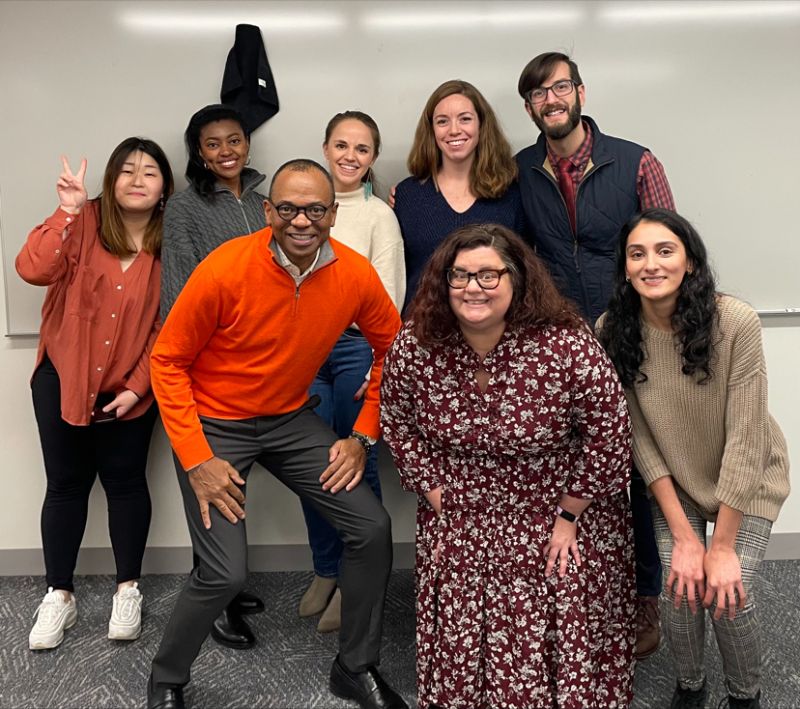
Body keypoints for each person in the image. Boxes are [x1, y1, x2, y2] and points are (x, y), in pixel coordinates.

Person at [146, 159, 407, 709]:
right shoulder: (225, 268)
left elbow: (396, 351)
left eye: (315, 208)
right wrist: (196, 460)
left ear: (334, 213)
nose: (301, 221)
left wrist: (362, 435)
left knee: (371, 527)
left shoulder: (354, 274)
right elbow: (166, 362)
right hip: (215, 424)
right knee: (224, 573)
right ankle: (166, 677)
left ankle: (354, 667)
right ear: (268, 211)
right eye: (287, 208)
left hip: (288, 419)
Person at [381, 223, 635, 709]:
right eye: (460, 276)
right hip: (458, 505)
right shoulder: (417, 343)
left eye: (488, 276)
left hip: (559, 507)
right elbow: (396, 420)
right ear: (443, 282)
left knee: (556, 575)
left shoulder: (564, 343)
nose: (473, 288)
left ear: (517, 279)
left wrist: (567, 517)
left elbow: (609, 433)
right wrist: (436, 493)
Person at [515, 51, 675, 657]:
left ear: (580, 92)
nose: (551, 100)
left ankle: (642, 600)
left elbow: (667, 248)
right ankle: (580, 596)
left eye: (559, 88)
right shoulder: (521, 170)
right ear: (529, 107)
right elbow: (514, 255)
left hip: (633, 339)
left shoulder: (636, 162)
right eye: (537, 94)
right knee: (566, 473)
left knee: (635, 470)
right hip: (556, 344)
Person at [597, 209, 790, 709]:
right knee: (680, 592)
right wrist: (685, 537)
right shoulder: (612, 327)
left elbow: (747, 436)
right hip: (674, 483)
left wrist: (720, 546)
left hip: (748, 480)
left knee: (729, 595)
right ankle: (690, 684)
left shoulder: (735, 322)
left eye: (665, 251)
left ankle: (745, 694)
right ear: (623, 268)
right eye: (636, 254)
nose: (650, 264)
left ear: (690, 262)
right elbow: (637, 434)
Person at [17, 138, 173, 650]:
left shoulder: (172, 241)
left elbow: (168, 326)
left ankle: (128, 586)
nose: (136, 179)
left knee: (127, 484)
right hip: (62, 380)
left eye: (149, 172)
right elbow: (32, 269)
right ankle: (58, 594)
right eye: (126, 170)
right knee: (65, 485)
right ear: (110, 180)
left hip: (131, 389)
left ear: (164, 188)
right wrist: (64, 211)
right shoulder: (82, 221)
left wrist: (138, 387)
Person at [161, 103, 267, 649]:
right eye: (213, 144)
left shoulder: (265, 199)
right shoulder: (183, 207)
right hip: (210, 364)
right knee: (211, 483)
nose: (226, 152)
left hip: (262, 364)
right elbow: (178, 288)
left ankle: (229, 585)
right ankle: (219, 596)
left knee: (238, 483)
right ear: (198, 151)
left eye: (234, 140)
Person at [297, 111, 406, 633]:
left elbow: (386, 295)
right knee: (311, 463)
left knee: (354, 460)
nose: (350, 156)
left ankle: (358, 583)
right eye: (341, 144)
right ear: (325, 147)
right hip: (304, 352)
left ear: (373, 158)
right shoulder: (303, 206)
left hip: (356, 348)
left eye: (362, 149)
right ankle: (326, 569)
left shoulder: (380, 217)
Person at [394, 79, 522, 312]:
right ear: (431, 130)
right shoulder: (407, 195)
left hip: (495, 333)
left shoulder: (512, 194)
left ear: (482, 125)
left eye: (465, 119)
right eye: (443, 121)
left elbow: (524, 272)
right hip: (423, 333)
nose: (454, 130)